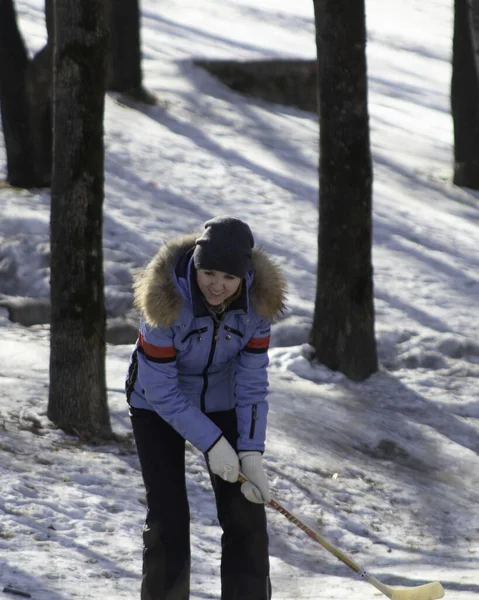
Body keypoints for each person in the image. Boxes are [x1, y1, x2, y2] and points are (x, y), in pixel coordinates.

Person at [126, 216, 287, 600]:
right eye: (208, 272)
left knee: (246, 515)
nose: (217, 285)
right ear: (196, 264)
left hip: (222, 400)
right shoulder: (164, 303)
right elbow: (161, 390)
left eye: (229, 278)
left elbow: (251, 384)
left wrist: (250, 453)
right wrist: (213, 445)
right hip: (156, 406)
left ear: (244, 277)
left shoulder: (257, 309)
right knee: (169, 520)